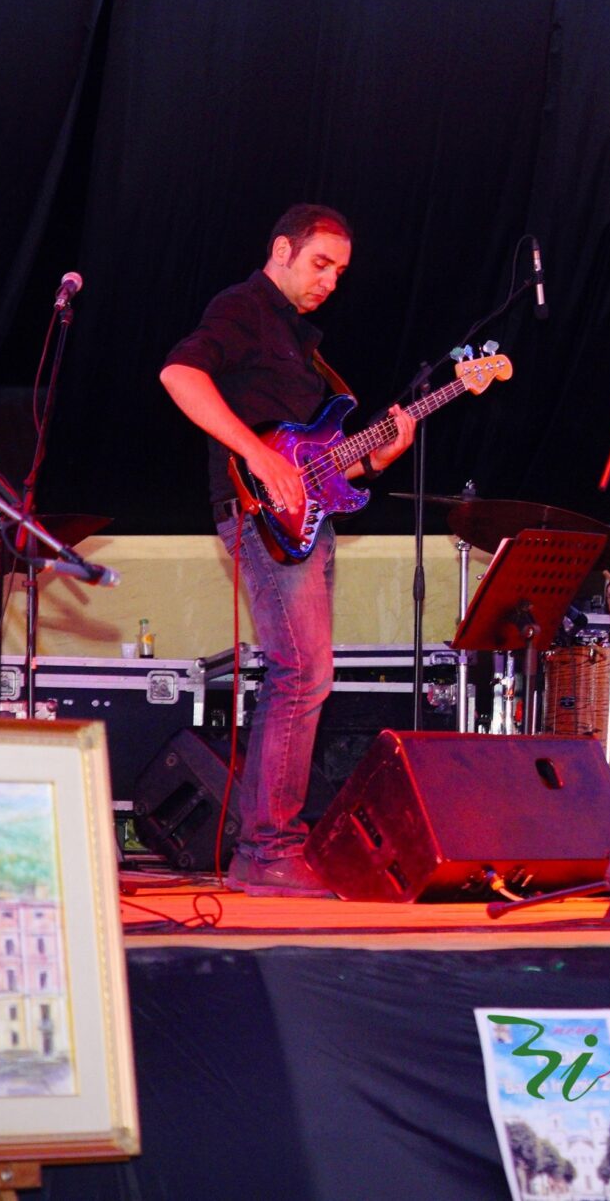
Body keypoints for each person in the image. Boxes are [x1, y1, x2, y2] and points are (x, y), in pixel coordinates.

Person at [159, 205, 414, 897]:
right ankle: (269, 849)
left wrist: (377, 457)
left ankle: (268, 848)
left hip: (306, 522)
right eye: (320, 263)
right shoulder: (242, 307)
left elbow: (317, 464)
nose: (330, 281)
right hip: (260, 518)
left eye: (340, 272)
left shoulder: (304, 343)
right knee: (301, 674)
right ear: (281, 250)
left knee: (305, 675)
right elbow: (179, 375)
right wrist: (256, 455)